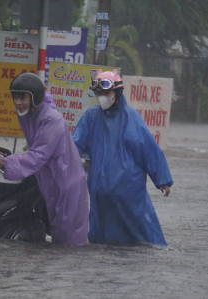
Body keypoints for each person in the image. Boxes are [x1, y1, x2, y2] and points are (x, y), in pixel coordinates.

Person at [72, 69, 173, 246]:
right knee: (100, 236)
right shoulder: (92, 116)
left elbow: (148, 149)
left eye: (106, 93)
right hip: (99, 192)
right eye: (99, 93)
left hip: (128, 191)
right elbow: (73, 146)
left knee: (141, 233)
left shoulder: (130, 116)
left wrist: (162, 179)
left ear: (117, 92)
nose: (102, 97)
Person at [0, 72, 89, 245]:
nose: (17, 102)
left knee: (70, 242)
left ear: (35, 97)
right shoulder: (28, 114)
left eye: (23, 97)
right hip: (49, 179)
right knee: (58, 236)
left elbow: (38, 155)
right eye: (15, 97)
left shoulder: (52, 119)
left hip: (66, 181)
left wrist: (8, 162)